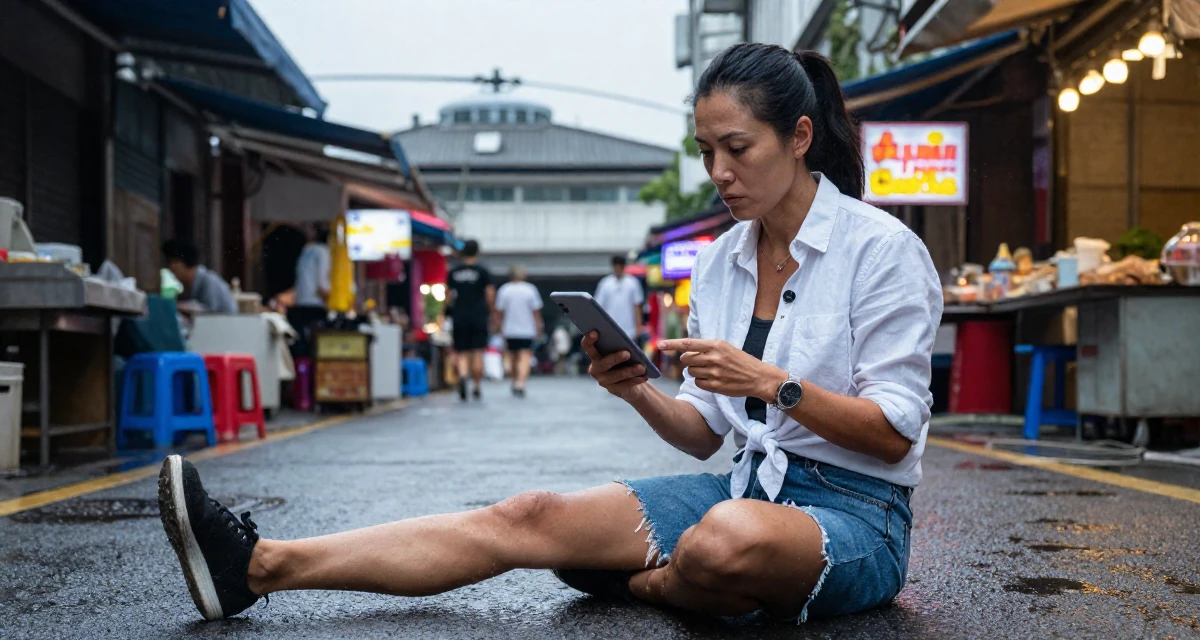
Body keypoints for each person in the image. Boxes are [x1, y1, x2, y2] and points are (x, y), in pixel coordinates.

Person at [156, 44, 941, 625]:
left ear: (799, 137)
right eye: (707, 153)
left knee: (723, 541)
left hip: (856, 516)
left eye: (739, 148)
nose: (720, 172)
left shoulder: (882, 249)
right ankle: (258, 567)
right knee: (531, 516)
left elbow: (892, 438)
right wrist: (636, 390)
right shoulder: (720, 263)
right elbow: (705, 436)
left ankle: (655, 583)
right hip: (739, 487)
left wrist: (771, 383)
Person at [446, 239, 494, 401]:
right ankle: (476, 385)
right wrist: (490, 311)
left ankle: (463, 375)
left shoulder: (454, 272)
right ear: (477, 252)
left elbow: (447, 295)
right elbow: (489, 293)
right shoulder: (482, 272)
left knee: (461, 352)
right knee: (478, 352)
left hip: (459, 316)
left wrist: (447, 311)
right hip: (478, 315)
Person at [494, 265, 544, 397]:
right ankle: (521, 383)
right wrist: (539, 326)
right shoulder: (530, 290)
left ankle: (514, 381)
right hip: (527, 330)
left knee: (512, 357)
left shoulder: (504, 290)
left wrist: (499, 327)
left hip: (509, 330)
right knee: (524, 357)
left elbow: (499, 312)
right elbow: (536, 312)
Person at [286, 223, 332, 358]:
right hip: (315, 306)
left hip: (300, 305)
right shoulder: (323, 252)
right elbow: (322, 285)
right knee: (318, 349)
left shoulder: (307, 250)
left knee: (302, 347)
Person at [161, 240, 236, 315]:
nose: (170, 269)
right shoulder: (189, 285)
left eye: (172, 263)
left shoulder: (208, 281)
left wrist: (181, 306)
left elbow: (209, 312)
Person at [594, 255, 644, 339]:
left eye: (620, 267)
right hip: (609, 328)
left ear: (623, 267)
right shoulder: (605, 284)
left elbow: (637, 306)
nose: (618, 269)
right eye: (616, 267)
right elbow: (599, 307)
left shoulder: (633, 283)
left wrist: (638, 327)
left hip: (629, 329)